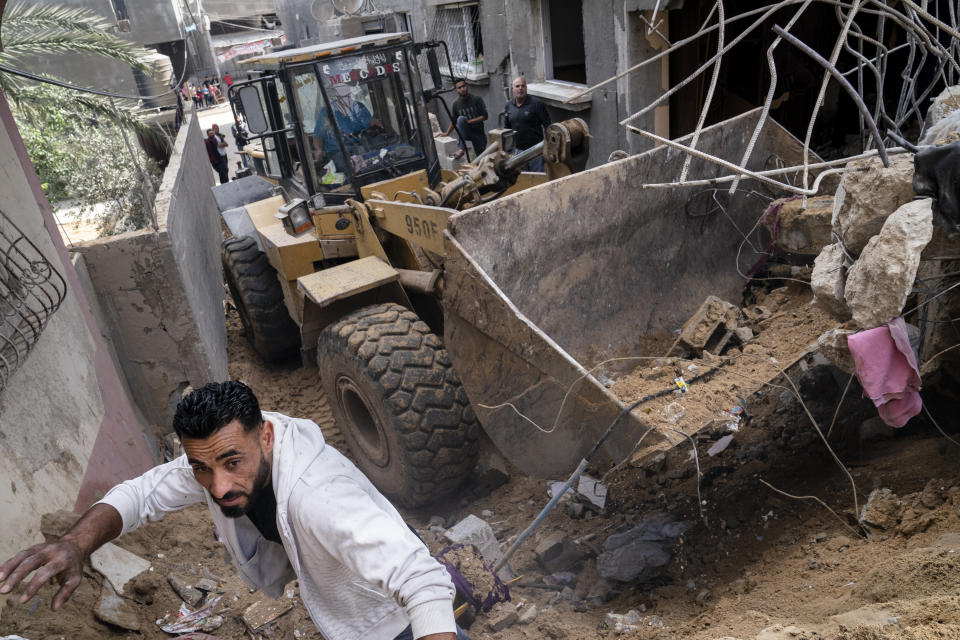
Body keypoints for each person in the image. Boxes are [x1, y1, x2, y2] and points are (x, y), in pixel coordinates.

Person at [0, 382, 467, 640]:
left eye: (231, 463)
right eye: (201, 467)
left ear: (265, 436)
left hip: (395, 627)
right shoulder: (219, 457)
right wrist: (74, 544)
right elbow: (141, 494)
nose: (218, 486)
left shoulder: (320, 497)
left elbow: (422, 581)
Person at [312, 85, 380, 174]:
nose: (344, 97)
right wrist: (319, 150)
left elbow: (370, 125)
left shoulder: (359, 107)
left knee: (375, 160)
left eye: (346, 93)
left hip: (360, 147)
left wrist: (375, 124)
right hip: (337, 152)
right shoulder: (326, 112)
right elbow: (318, 136)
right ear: (334, 94)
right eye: (340, 94)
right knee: (348, 167)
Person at [503, 76, 551, 171]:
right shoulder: (509, 106)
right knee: (522, 178)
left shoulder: (536, 104)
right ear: (513, 89)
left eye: (523, 86)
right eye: (517, 86)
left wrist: (547, 145)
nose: (520, 88)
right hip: (518, 151)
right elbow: (506, 129)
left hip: (536, 150)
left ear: (526, 88)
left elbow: (547, 125)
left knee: (538, 178)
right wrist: (509, 151)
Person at [438, 79, 487, 160]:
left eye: (463, 86)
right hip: (466, 133)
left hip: (479, 133)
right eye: (459, 88)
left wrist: (469, 121)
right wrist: (447, 133)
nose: (462, 89)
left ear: (466, 86)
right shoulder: (456, 104)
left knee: (481, 159)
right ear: (456, 90)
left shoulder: (476, 99)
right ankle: (462, 148)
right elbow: (454, 121)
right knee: (460, 119)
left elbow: (485, 116)